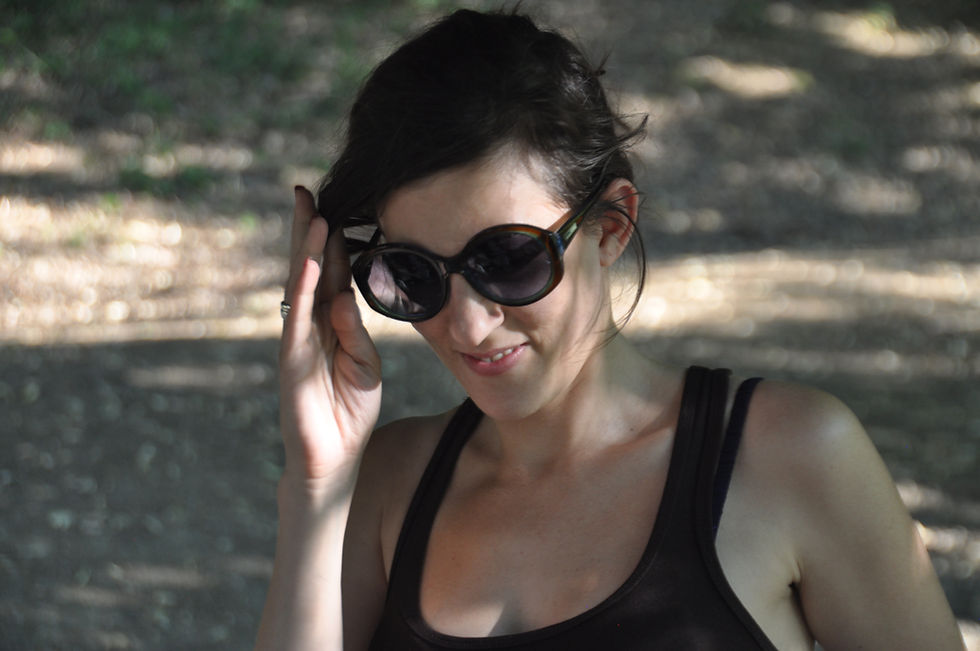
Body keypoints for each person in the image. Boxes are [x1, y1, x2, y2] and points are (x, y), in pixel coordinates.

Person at [255, 9, 964, 651]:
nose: (467, 322)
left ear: (611, 226)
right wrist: (315, 482)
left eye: (507, 258)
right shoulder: (388, 484)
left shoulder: (791, 457)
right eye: (414, 274)